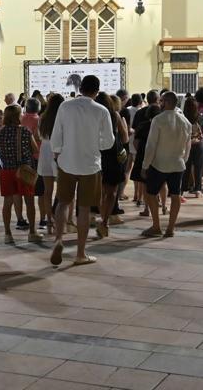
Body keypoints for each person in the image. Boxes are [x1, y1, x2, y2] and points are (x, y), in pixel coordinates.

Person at [49, 75, 114, 266]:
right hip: (90, 164)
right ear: (97, 90)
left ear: (81, 88)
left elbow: (56, 135)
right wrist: (96, 144)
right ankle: (80, 253)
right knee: (84, 209)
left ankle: (58, 239)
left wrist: (58, 153)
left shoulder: (65, 106)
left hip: (67, 161)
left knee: (62, 203)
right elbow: (108, 141)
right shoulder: (101, 110)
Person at [139, 91, 192, 237]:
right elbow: (188, 146)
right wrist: (184, 160)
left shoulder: (158, 120)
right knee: (175, 195)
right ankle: (171, 228)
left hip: (159, 164)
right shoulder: (185, 122)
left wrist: (145, 165)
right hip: (178, 163)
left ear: (167, 103)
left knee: (150, 194)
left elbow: (151, 145)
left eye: (162, 101)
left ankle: (156, 226)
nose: (160, 103)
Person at [0, 103, 40, 243]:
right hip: (23, 171)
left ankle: (8, 234)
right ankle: (32, 232)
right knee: (29, 201)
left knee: (7, 203)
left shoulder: (1, 132)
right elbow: (35, 149)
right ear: (17, 116)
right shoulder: (25, 131)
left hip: (6, 171)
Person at [96, 92, 129, 237]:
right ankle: (105, 222)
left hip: (97, 154)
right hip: (113, 154)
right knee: (111, 191)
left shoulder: (94, 116)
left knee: (99, 190)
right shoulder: (114, 116)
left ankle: (100, 217)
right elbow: (125, 138)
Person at [36, 94, 62, 237]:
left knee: (47, 191)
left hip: (45, 152)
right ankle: (59, 220)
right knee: (61, 191)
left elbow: (39, 136)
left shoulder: (43, 118)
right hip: (59, 152)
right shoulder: (62, 117)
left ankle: (49, 223)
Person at [19, 97, 46, 229]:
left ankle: (22, 219)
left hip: (24, 158)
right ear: (38, 108)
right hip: (37, 156)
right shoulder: (38, 120)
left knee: (26, 190)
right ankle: (42, 219)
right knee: (41, 190)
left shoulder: (21, 119)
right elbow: (38, 136)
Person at [181, 96, 203, 199]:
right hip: (199, 144)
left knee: (185, 167)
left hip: (186, 144)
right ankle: (198, 190)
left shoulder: (182, 117)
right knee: (198, 168)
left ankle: (182, 189)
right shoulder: (201, 117)